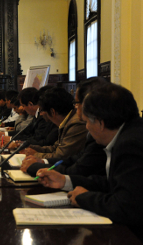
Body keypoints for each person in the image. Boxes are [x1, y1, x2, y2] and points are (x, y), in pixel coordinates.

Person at [35, 83, 143, 242]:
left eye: (86, 121)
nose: (86, 127)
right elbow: (114, 184)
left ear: (100, 122)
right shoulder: (130, 134)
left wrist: (84, 198)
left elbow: (125, 207)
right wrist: (65, 181)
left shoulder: (131, 144)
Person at [24, 77, 108, 176]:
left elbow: (65, 156)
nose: (75, 107)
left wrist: (37, 158)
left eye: (76, 103)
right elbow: (59, 149)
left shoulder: (77, 123)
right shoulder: (69, 121)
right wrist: (34, 151)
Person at [23, 87, 87, 159]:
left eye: (41, 110)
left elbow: (61, 155)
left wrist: (36, 154)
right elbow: (56, 147)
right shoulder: (67, 121)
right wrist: (35, 148)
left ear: (52, 112)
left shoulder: (76, 124)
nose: (41, 114)